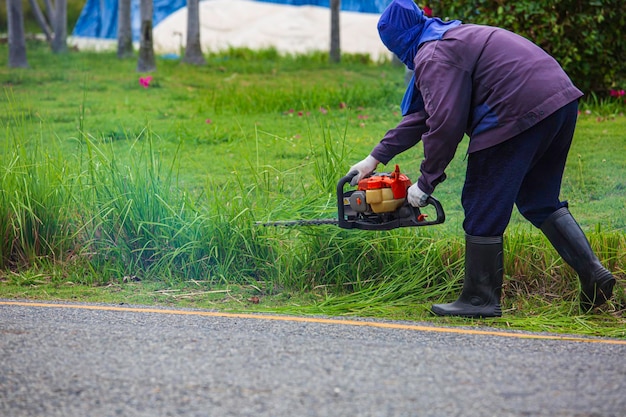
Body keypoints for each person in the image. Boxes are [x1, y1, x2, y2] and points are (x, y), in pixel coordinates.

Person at [348, 0, 616, 317]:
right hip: (558, 101)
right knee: (539, 199)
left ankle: (480, 298)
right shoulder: (445, 37)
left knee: (480, 200)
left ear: (397, 42)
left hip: (513, 110)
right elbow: (424, 116)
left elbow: (445, 123)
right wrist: (373, 159)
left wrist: (425, 182)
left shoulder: (433, 54)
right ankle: (593, 273)